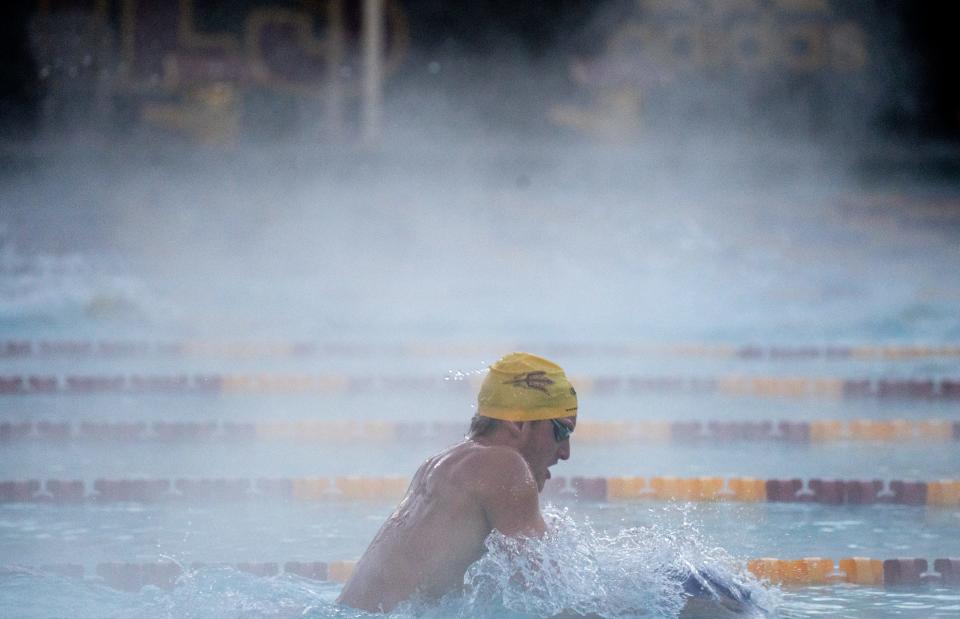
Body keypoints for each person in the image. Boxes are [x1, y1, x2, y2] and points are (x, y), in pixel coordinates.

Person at [336, 352, 578, 613]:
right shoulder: (505, 466)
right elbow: (550, 597)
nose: (565, 452)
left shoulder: (442, 465)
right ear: (518, 424)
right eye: (561, 431)